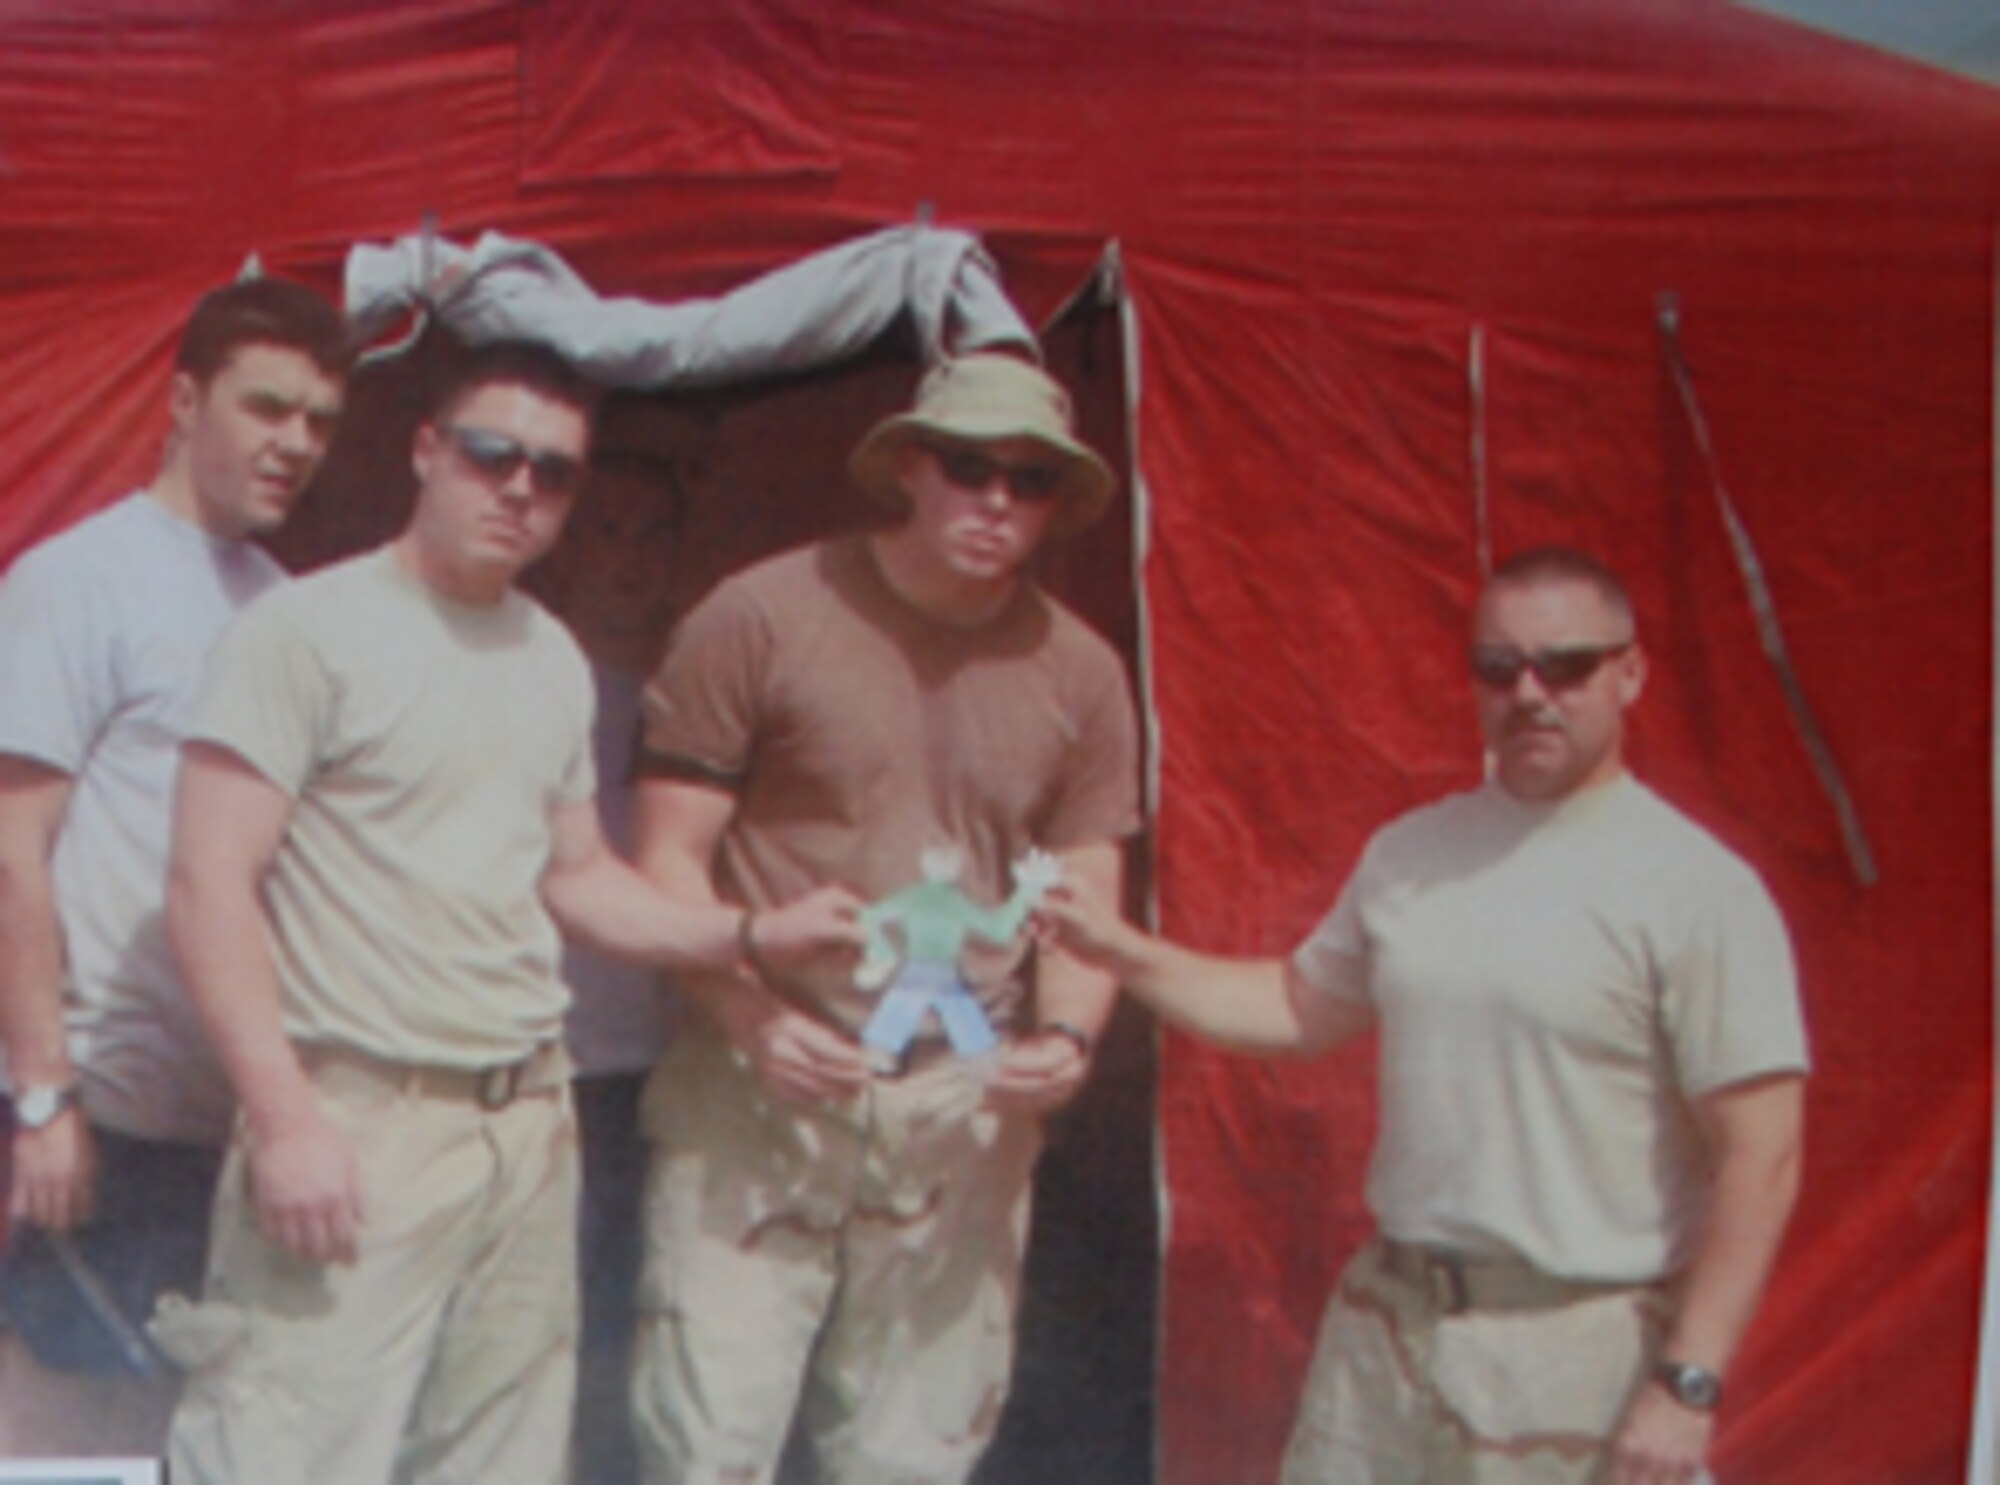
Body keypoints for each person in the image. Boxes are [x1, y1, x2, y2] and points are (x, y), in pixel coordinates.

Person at [155, 341, 862, 1484]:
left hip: (529, 1125)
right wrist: (285, 1120)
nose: (520, 488)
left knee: (502, 1465)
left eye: (553, 471)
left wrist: (745, 936)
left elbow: (577, 879)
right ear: (427, 452)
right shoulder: (305, 632)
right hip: (357, 1119)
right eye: (492, 456)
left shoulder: (549, 656)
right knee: (281, 1455)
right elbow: (205, 887)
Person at [1044, 546, 1809, 1485]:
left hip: (1576, 1350)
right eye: (1498, 666)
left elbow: (1761, 1151)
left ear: (1631, 673)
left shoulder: (1696, 889)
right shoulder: (1412, 854)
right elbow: (1297, 1005)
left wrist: (1688, 1382)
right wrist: (1121, 951)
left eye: (1565, 665)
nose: (1529, 692)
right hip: (1387, 1332)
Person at [630, 351, 1142, 1483]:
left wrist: (1063, 1041)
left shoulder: (1082, 673)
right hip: (760, 1087)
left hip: (958, 1100)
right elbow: (665, 861)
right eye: (967, 467)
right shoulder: (759, 616)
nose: (996, 501)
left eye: (1030, 480)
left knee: (913, 1458)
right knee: (706, 1447)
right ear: (907, 467)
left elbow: (1084, 897)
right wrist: (750, 1015)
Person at [0, 276, 349, 1456]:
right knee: (53, 1427)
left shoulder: (289, 609)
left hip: (219, 1127)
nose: (293, 443)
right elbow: (11, 848)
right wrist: (42, 1096)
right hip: (94, 1105)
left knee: (164, 1430)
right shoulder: (77, 582)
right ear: (185, 400)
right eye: (266, 408)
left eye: (317, 421)